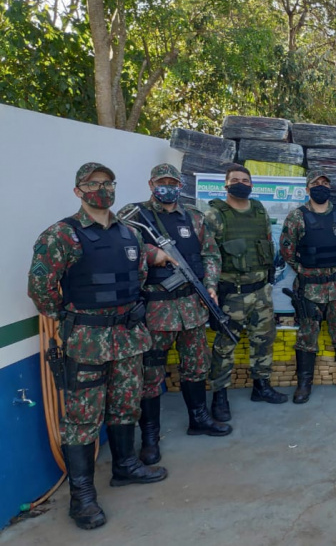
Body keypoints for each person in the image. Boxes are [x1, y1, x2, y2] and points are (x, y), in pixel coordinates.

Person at [27, 163, 168, 530]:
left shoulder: (130, 234)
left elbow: (137, 278)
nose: (102, 189)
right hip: (87, 342)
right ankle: (83, 497)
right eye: (93, 184)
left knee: (125, 404)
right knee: (82, 419)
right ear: (78, 191)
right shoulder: (61, 235)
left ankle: (125, 466)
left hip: (128, 337)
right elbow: (40, 289)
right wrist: (69, 320)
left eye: (108, 183)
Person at [117, 164, 231, 465]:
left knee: (196, 365)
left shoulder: (194, 216)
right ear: (151, 183)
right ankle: (150, 437)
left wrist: (210, 287)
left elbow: (210, 254)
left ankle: (199, 419)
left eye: (172, 182)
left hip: (192, 305)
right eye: (161, 182)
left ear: (180, 185)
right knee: (151, 374)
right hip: (156, 309)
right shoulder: (133, 215)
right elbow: (120, 250)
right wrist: (153, 256)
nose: (167, 186)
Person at [280, 170, 336, 404]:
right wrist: (306, 270)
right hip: (310, 286)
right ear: (307, 189)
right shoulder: (296, 217)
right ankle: (304, 383)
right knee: (307, 334)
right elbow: (287, 251)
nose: (321, 186)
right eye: (316, 183)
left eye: (325, 183)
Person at [205, 164, 287, 420]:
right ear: (226, 185)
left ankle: (261, 387)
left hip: (261, 291)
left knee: (263, 341)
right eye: (235, 179)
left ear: (251, 185)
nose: (240, 183)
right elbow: (208, 255)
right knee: (224, 347)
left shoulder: (260, 211)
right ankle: (220, 396)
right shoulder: (215, 215)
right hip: (232, 294)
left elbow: (266, 244)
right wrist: (211, 287)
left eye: (245, 180)